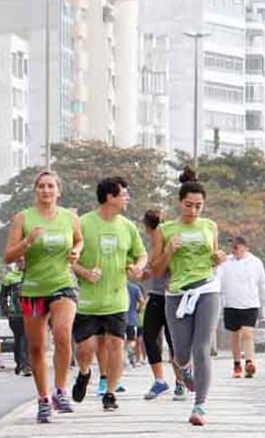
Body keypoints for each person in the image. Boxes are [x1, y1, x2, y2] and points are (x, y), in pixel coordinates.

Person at [5, 170, 82, 424]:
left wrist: (76, 252)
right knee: (36, 347)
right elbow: (8, 256)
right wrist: (27, 242)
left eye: (51, 186)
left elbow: (79, 241)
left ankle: (61, 390)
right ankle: (43, 399)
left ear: (58, 191)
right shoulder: (22, 218)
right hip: (34, 289)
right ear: (35, 190)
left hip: (64, 284)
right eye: (41, 186)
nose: (46, 190)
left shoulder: (70, 218)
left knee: (62, 333)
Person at [151, 167, 225, 426]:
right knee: (181, 352)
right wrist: (169, 251)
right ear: (179, 203)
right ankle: (185, 369)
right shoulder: (165, 230)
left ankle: (200, 406)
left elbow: (214, 258)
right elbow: (156, 270)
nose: (193, 211)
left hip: (207, 289)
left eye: (198, 206)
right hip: (177, 293)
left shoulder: (210, 226)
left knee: (201, 347)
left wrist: (218, 258)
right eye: (189, 205)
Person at [69, 177, 147, 412]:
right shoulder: (83, 223)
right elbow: (69, 258)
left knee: (116, 345)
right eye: (123, 194)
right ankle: (84, 373)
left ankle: (110, 393)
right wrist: (84, 271)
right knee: (86, 348)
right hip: (89, 301)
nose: (127, 198)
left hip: (117, 298)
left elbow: (141, 255)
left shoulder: (127, 226)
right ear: (110, 197)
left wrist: (137, 267)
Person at [139, 209, 185, 400]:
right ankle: (159, 381)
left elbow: (165, 267)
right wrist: (146, 273)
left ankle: (180, 382)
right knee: (149, 337)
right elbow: (153, 269)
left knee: (173, 340)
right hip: (156, 295)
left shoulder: (171, 239)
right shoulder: (154, 243)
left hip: (173, 295)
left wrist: (166, 254)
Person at [216, 236, 265, 378]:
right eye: (232, 247)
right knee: (235, 335)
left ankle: (249, 362)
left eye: (236, 247)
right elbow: (217, 280)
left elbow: (263, 284)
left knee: (247, 333)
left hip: (250, 303)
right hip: (231, 303)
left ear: (245, 247)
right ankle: (236, 364)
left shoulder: (255, 262)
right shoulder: (225, 262)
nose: (233, 250)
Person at [0, 261, 31, 376]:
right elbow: (2, 296)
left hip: (31, 313)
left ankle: (26, 365)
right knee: (19, 339)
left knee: (27, 338)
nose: (22, 263)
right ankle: (19, 363)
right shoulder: (10, 277)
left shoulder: (33, 274)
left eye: (24, 261)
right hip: (15, 314)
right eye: (20, 261)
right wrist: (6, 311)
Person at [126, 281, 145, 367]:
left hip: (119, 317)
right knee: (131, 339)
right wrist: (138, 309)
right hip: (132, 318)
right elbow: (142, 301)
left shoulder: (118, 287)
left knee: (119, 339)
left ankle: (122, 359)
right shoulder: (135, 288)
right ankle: (132, 359)